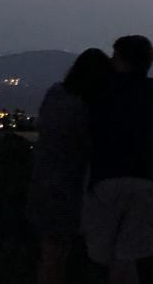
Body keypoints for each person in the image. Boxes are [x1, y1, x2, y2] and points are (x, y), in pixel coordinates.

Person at [84, 35, 153, 284]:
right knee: (132, 256)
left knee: (102, 256)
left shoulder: (99, 89)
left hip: (105, 177)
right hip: (146, 177)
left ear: (119, 58)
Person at [27, 48, 111, 284]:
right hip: (74, 186)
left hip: (44, 181)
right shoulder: (86, 108)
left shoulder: (55, 95)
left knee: (51, 252)